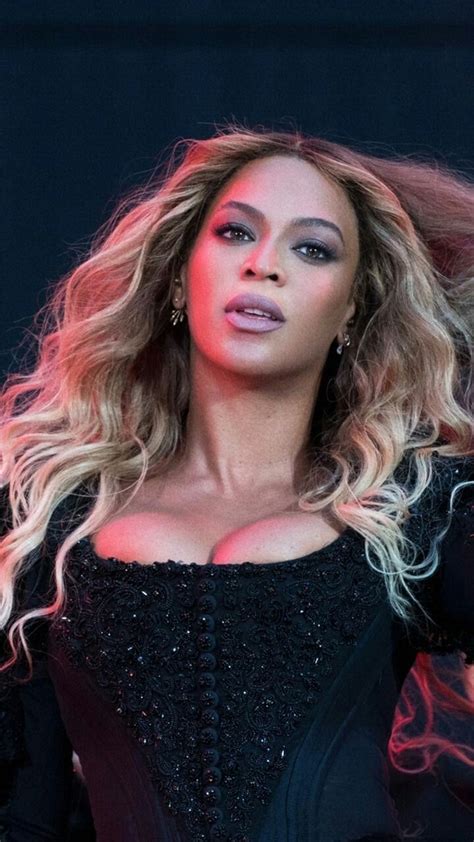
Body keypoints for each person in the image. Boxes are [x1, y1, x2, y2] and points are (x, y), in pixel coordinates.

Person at [0, 123, 473, 842]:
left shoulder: (412, 512)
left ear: (350, 310)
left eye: (311, 248)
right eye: (234, 233)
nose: (263, 265)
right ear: (177, 279)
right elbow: (21, 812)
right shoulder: (49, 517)